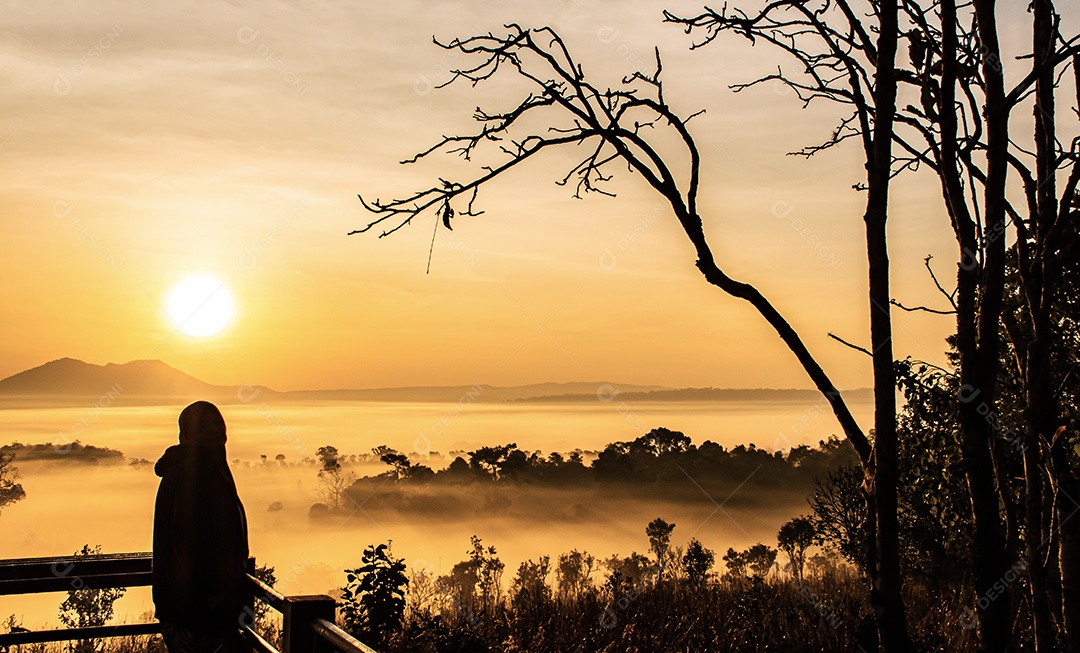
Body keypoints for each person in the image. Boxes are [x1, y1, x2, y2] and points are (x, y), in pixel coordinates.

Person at [153, 401, 249, 653]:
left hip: (191, 608)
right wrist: (214, 589)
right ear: (189, 433)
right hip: (196, 612)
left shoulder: (204, 467)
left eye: (218, 423)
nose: (216, 430)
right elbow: (186, 537)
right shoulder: (192, 473)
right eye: (205, 426)